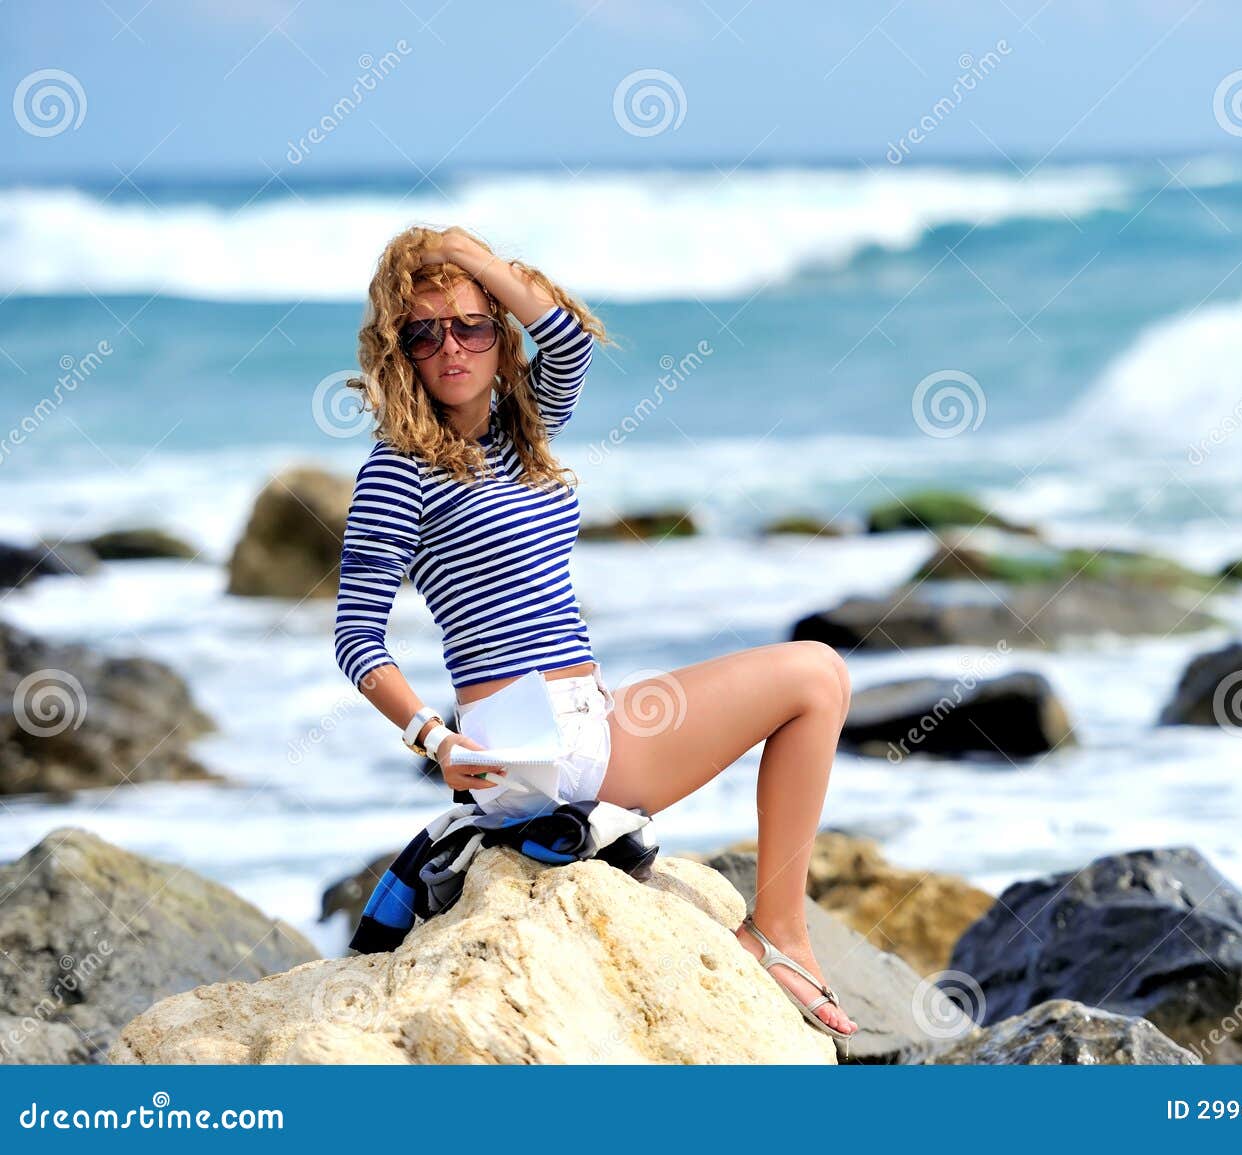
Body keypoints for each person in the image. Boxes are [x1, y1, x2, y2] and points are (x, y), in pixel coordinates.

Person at [333, 225, 858, 1040]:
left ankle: (780, 929)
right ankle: (778, 933)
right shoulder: (397, 466)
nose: (451, 347)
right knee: (816, 674)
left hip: (586, 720)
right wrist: (433, 740)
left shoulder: (518, 430)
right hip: (530, 748)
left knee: (816, 677)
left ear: (499, 338)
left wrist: (470, 257)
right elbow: (356, 637)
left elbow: (569, 340)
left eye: (471, 324)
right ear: (399, 350)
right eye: (423, 331)